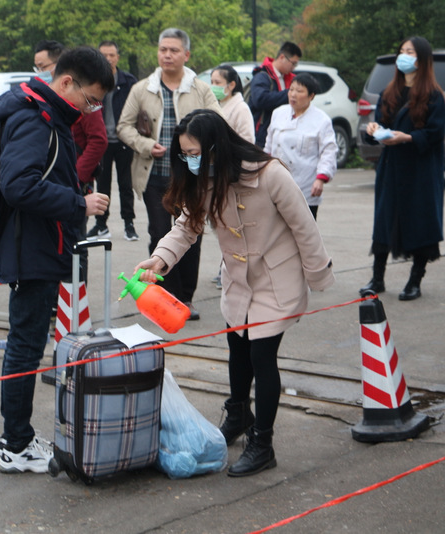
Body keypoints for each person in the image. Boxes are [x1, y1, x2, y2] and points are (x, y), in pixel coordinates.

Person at [133, 110, 334, 477]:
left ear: (217, 147)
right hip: (238, 280)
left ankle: (263, 443)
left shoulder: (270, 174)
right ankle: (239, 413)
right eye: (185, 155)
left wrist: (318, 275)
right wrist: (159, 260)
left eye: (195, 153)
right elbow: (186, 227)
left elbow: (304, 226)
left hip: (276, 278)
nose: (190, 161)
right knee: (237, 347)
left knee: (261, 355)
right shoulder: (205, 179)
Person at [0, 46, 113, 474]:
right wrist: (78, 203)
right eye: (90, 99)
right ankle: (16, 444)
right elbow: (18, 186)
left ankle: (16, 438)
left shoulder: (50, 114)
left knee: (25, 345)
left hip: (43, 244)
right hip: (33, 248)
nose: (90, 109)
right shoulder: (34, 118)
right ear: (66, 82)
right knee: (25, 348)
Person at [117, 28, 223, 321]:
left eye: (174, 50)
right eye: (163, 49)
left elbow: (218, 122)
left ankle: (185, 298)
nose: (167, 55)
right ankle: (165, 296)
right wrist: (145, 145)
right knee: (159, 233)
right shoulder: (142, 88)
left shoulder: (199, 89)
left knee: (191, 232)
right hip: (154, 175)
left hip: (191, 177)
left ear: (186, 54)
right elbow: (123, 126)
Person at [359, 36, 445, 301]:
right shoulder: (389, 92)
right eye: (402, 51)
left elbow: (435, 133)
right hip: (392, 166)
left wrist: (407, 137)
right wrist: (373, 130)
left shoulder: (434, 96)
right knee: (384, 220)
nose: (403, 56)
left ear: (422, 59)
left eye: (410, 52)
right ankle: (377, 278)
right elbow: (379, 124)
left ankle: (415, 280)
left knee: (420, 221)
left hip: (420, 169)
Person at [33, 40, 107, 281]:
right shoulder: (41, 100)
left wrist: (75, 178)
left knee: (75, 244)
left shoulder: (84, 101)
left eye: (43, 67)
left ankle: (76, 297)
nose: (39, 73)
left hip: (75, 184)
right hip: (52, 185)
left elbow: (98, 141)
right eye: (36, 67)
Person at [265, 73, 337, 220]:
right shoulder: (278, 113)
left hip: (305, 184)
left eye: (299, 91)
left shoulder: (321, 120)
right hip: (277, 182)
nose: (293, 94)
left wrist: (321, 178)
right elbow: (269, 146)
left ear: (311, 96)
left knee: (303, 229)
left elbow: (328, 151)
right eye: (291, 89)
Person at [87, 40, 139, 241]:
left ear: (118, 57)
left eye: (111, 55)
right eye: (104, 55)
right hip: (101, 142)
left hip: (124, 140)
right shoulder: (91, 80)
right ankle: (101, 225)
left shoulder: (128, 81)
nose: (108, 59)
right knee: (102, 185)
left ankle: (129, 224)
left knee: (126, 184)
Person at [248, 41, 301, 147]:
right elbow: (260, 100)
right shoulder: (262, 76)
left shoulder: (290, 78)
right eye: (293, 63)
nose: (294, 67)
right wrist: (289, 94)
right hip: (261, 137)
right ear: (282, 57)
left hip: (281, 136)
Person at [210, 64, 254, 143]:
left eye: (217, 83)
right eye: (212, 82)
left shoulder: (241, 109)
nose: (213, 86)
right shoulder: (212, 106)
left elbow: (248, 141)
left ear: (231, 85)